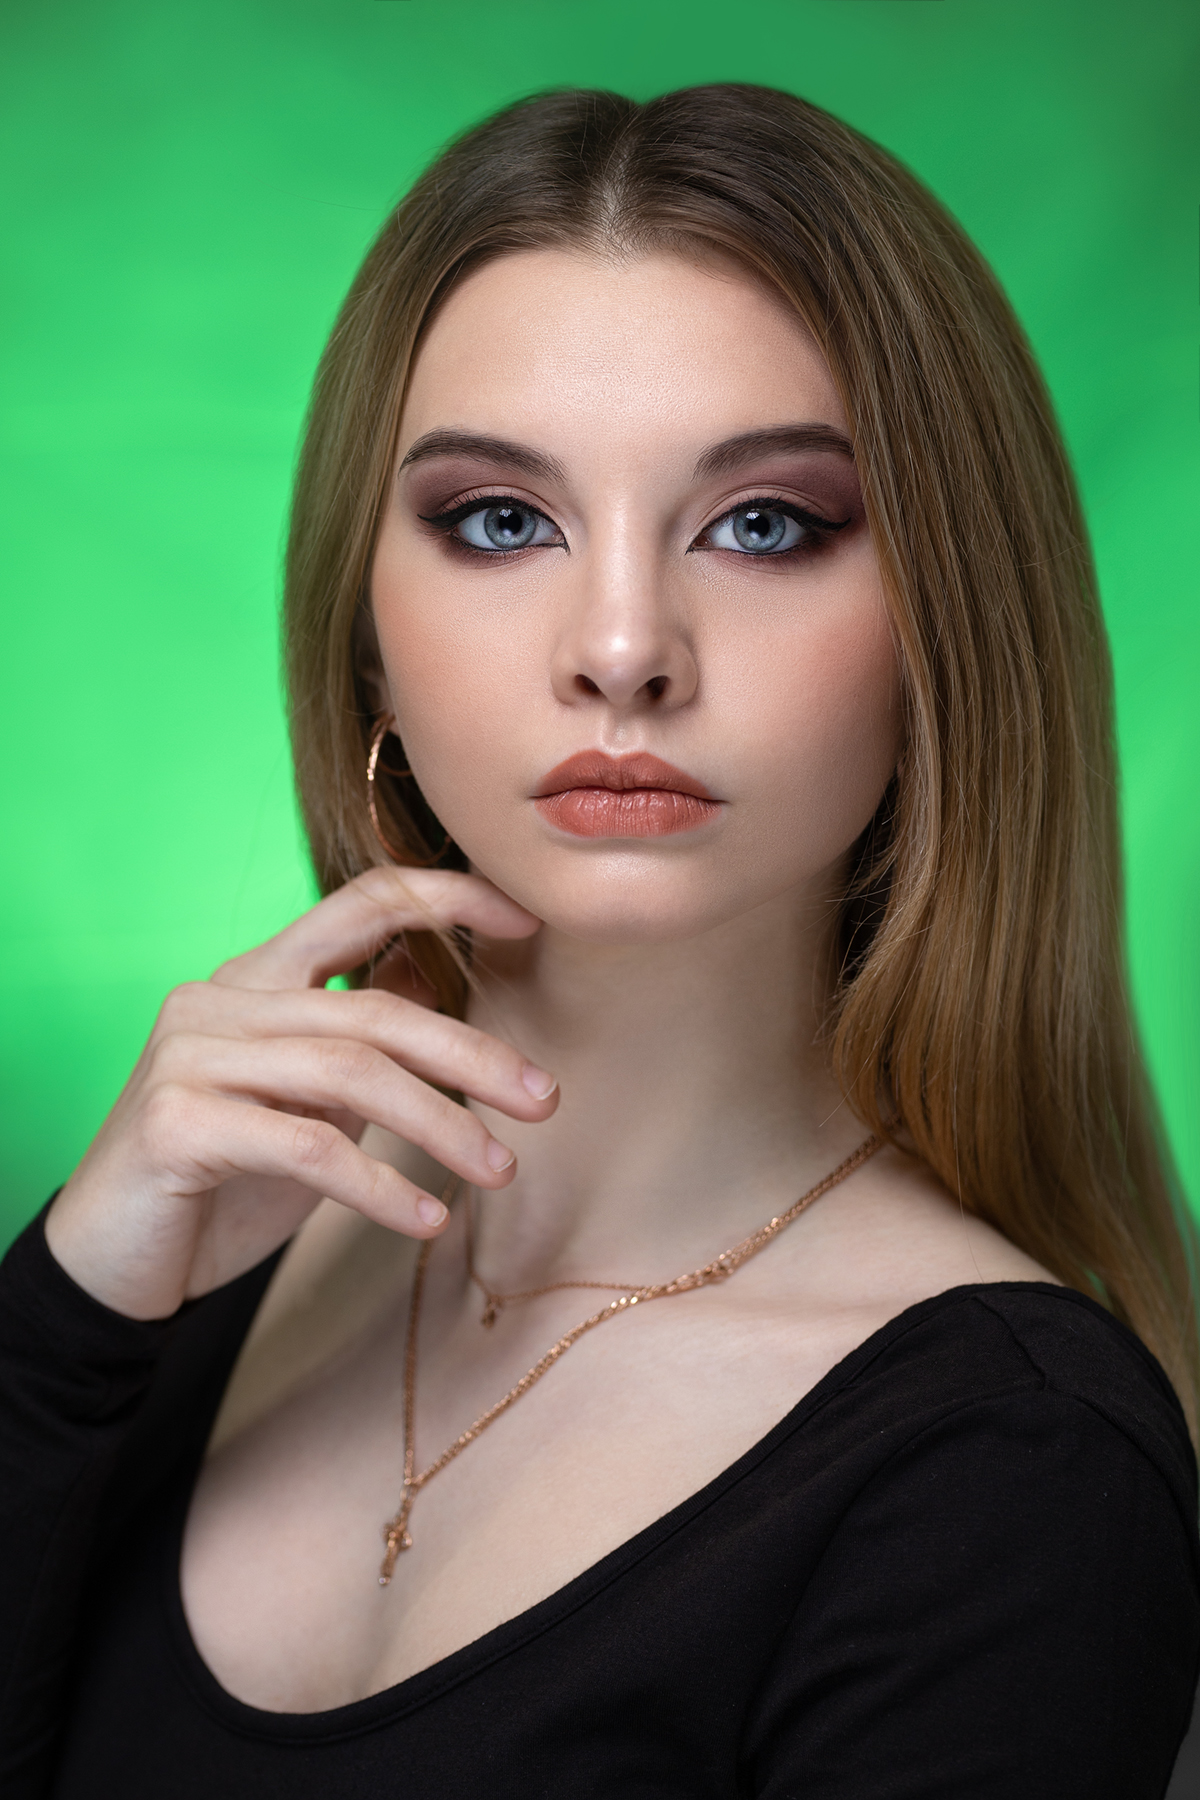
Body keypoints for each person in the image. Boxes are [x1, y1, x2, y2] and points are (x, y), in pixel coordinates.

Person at [1, 83, 1197, 1799]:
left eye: (765, 523)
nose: (624, 647)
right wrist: (58, 1324)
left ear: (947, 625)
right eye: (501, 520)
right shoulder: (187, 1252)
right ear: (365, 642)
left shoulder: (1015, 1470)